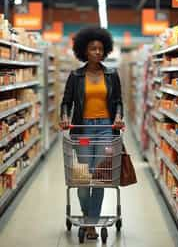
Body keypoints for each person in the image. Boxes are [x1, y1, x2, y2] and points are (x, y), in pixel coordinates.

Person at [60, 26, 124, 239]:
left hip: (105, 129)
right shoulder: (76, 75)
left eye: (100, 48)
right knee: (82, 177)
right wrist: (64, 117)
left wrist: (117, 118)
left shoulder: (112, 74)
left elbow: (118, 102)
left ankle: (91, 224)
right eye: (92, 48)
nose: (97, 52)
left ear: (105, 50)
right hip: (83, 130)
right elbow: (66, 102)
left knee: (99, 176)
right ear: (83, 51)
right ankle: (89, 218)